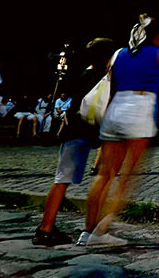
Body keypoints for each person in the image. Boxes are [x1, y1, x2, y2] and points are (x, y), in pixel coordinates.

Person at [82, 14, 159, 246]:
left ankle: (88, 230)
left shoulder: (118, 54)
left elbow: (111, 82)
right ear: (158, 35)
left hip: (115, 109)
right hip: (139, 110)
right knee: (128, 179)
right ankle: (102, 230)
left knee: (105, 175)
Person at [33, 39, 113, 245]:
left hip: (74, 130)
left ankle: (46, 227)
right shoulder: (104, 78)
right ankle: (83, 229)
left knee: (62, 180)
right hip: (89, 132)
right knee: (85, 179)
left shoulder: (82, 75)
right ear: (106, 56)